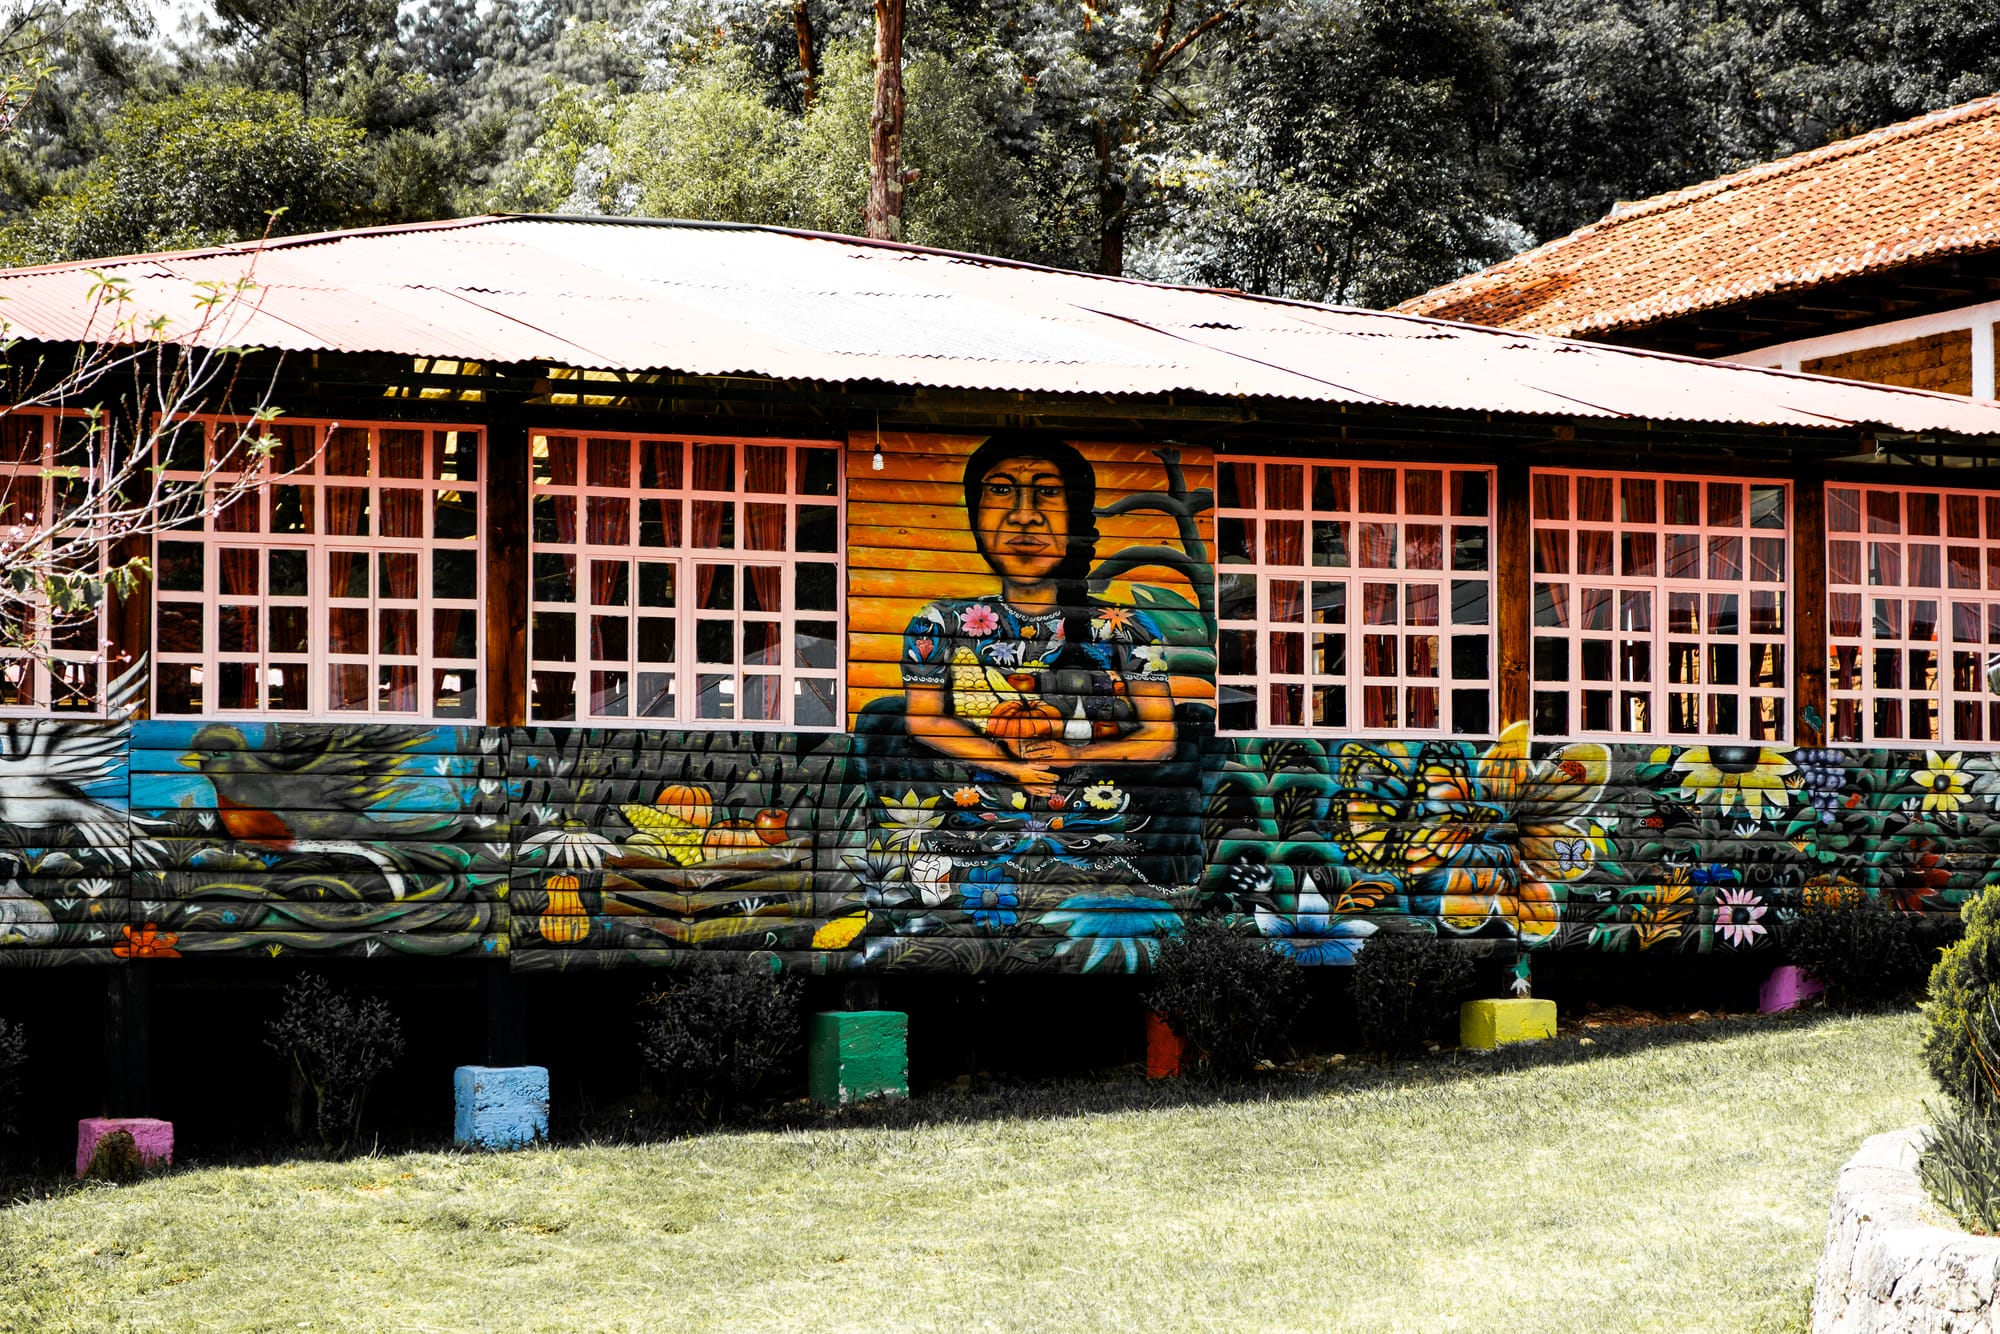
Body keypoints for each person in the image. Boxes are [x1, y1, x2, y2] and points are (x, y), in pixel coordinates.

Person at [900, 433, 1178, 791]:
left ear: (1075, 518)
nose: (1024, 516)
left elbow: (1161, 736)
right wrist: (1012, 767)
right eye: (1000, 490)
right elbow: (926, 720)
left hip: (1098, 823)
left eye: (1048, 491)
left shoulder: (1124, 628)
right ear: (975, 513)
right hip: (969, 824)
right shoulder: (939, 623)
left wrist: (1075, 756)